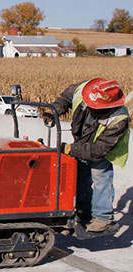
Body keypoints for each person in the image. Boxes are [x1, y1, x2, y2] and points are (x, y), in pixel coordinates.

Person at [48, 78, 130, 233]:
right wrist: (53, 111)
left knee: (101, 177)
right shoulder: (82, 90)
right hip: (82, 140)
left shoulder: (119, 119)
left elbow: (99, 149)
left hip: (102, 151)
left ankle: (103, 218)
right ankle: (82, 212)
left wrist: (71, 149)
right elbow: (65, 98)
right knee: (80, 177)